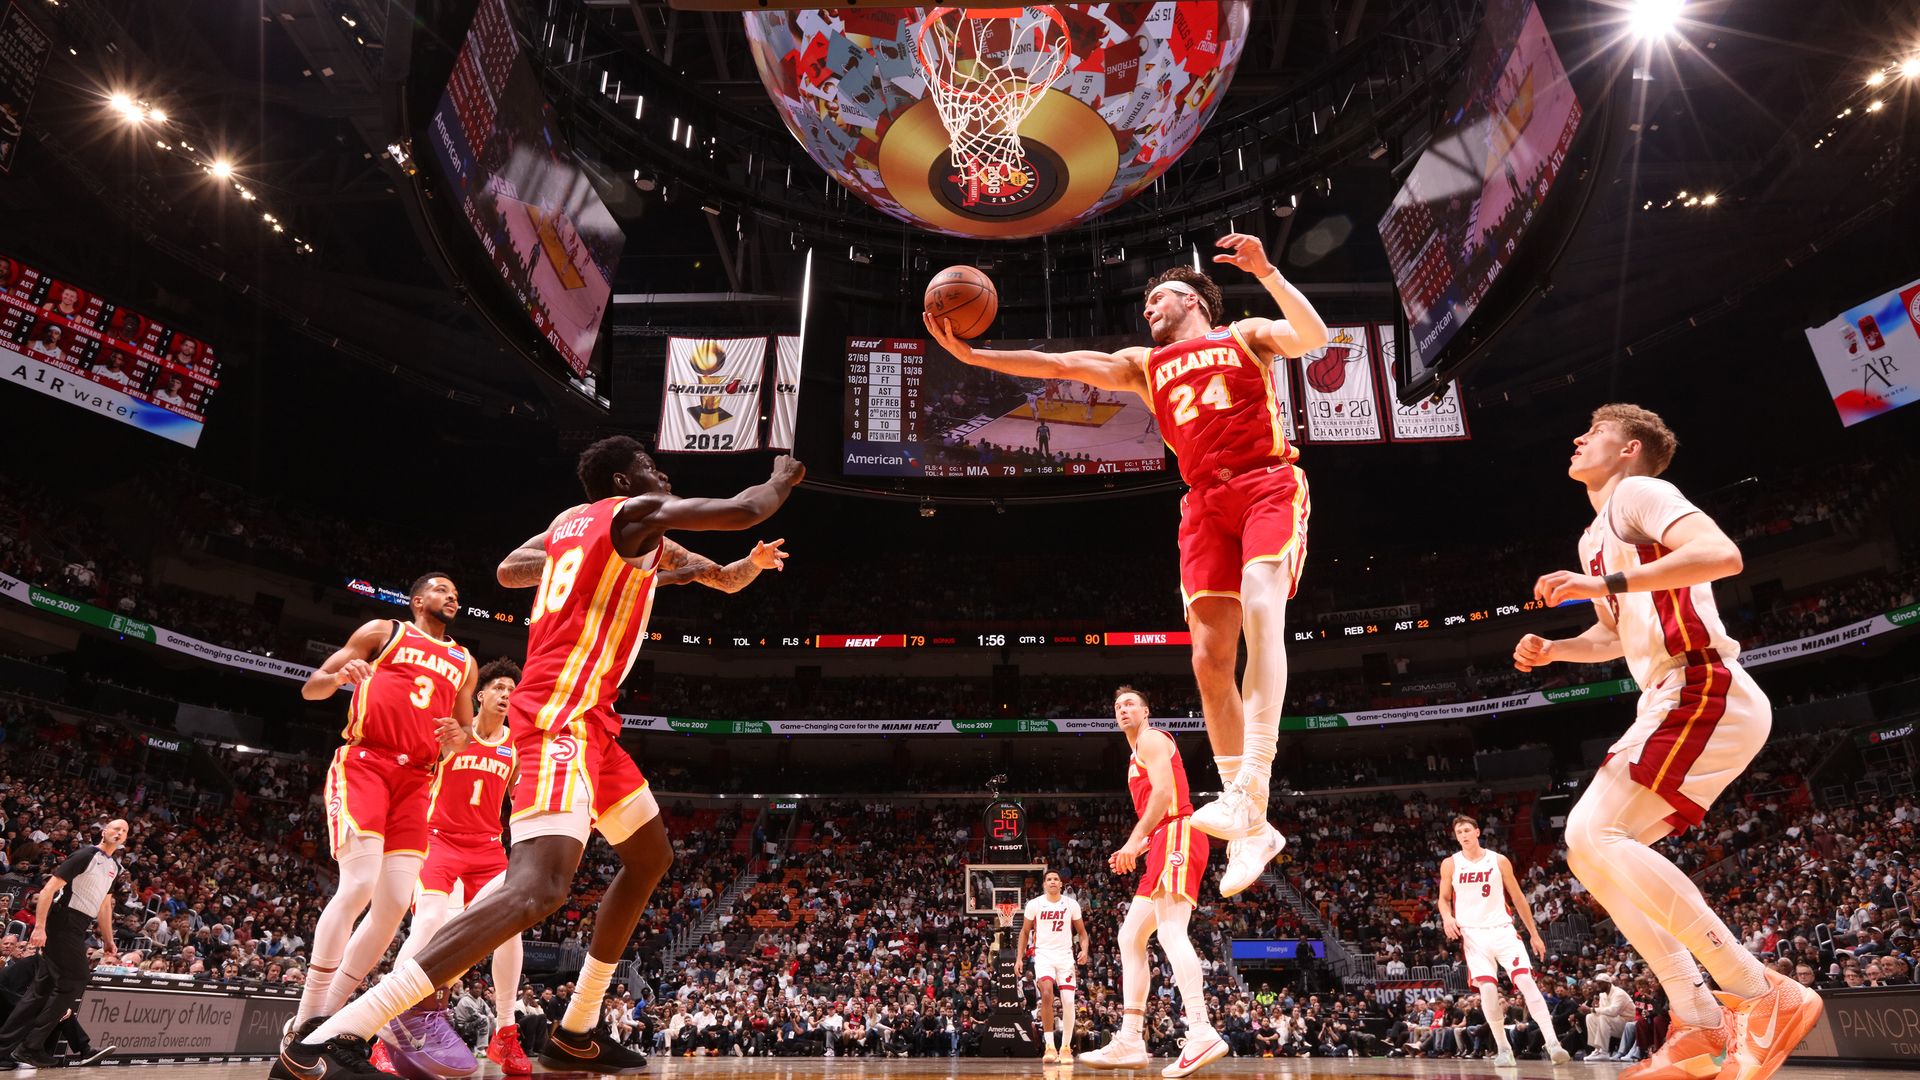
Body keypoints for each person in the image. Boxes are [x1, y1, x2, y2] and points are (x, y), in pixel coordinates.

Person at [279, 439, 804, 1079]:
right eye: (648, 466)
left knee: (650, 855)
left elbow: (512, 570)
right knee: (540, 888)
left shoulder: (575, 527)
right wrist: (782, 476)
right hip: (557, 715)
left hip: (594, 724)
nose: (660, 473)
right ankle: (338, 1032)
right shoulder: (631, 514)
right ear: (621, 480)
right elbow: (748, 507)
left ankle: (577, 1028)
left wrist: (730, 565)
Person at [926, 232, 1329, 896]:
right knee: (1206, 660)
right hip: (1204, 504)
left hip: (1265, 485)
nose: (1149, 309)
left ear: (1196, 299)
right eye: (1146, 303)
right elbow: (1064, 365)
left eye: (1159, 296)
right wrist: (975, 354)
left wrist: (1270, 271)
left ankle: (1253, 783)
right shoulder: (1144, 365)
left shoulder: (1244, 336)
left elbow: (1312, 335)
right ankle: (1250, 822)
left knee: (1263, 603)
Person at [1514, 404, 1823, 1080]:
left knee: (1593, 832)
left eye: (1591, 431)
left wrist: (1603, 584)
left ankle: (1760, 992)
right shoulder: (1594, 535)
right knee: (1587, 854)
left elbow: (1722, 555)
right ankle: (1699, 1020)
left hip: (1702, 682)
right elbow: (1615, 631)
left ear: (1628, 450)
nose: (1576, 437)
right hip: (1669, 690)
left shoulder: (1639, 492)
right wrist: (1560, 648)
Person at [285, 574, 478, 1041]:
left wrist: (459, 738)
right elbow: (311, 688)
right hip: (367, 765)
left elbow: (464, 733)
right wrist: (338, 677)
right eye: (441, 589)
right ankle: (308, 1012)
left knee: (393, 907)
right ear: (417, 600)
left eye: (456, 592)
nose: (452, 596)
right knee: (359, 886)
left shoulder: (464, 661)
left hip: (417, 782)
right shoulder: (383, 631)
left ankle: (325, 1020)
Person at [378, 658, 529, 1076]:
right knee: (426, 926)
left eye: (513, 691)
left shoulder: (516, 746)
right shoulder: (453, 735)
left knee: (510, 931)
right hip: (439, 842)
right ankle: (387, 1027)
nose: (506, 696)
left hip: (487, 850)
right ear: (479, 695)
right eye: (499, 688)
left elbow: (518, 798)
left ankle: (505, 1033)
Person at [1078, 687, 1224, 1077]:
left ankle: (1201, 1030)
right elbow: (1159, 804)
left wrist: (1131, 840)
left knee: (1171, 931)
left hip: (1179, 832)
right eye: (1117, 706)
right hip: (1163, 838)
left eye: (1130, 704)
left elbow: (1164, 794)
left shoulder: (1152, 738)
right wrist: (1141, 846)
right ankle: (1130, 1038)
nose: (1122, 709)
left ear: (1146, 711)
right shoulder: (1133, 753)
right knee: (1130, 936)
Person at [1437, 814, 1569, 1066]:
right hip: (1473, 934)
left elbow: (1518, 898)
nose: (1463, 835)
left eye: (1467, 830)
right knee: (1487, 991)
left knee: (1526, 983)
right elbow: (1443, 898)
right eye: (1459, 833)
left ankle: (1553, 1043)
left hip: (1503, 930)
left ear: (1477, 832)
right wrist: (1447, 918)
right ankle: (1503, 1048)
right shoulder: (1450, 864)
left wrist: (1534, 934)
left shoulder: (1498, 860)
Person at [0, 820, 126, 1070]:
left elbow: (104, 907)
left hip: (78, 926)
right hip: (62, 921)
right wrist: (39, 927)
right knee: (76, 979)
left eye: (124, 831)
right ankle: (31, 1046)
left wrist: (109, 940)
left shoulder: (114, 866)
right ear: (104, 832)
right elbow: (48, 890)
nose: (119, 833)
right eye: (115, 828)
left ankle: (3, 1050)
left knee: (41, 991)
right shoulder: (86, 854)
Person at [1016, 870, 1088, 1063]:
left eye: (1056, 879)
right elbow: (1024, 932)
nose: (1053, 882)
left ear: (1061, 884)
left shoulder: (1071, 904)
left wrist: (1084, 950)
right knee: (1047, 994)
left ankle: (1065, 1048)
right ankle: (1049, 1047)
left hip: (1065, 956)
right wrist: (1019, 958)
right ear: (1044, 885)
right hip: (1043, 955)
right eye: (1049, 879)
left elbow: (1082, 933)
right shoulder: (1035, 904)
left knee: (1069, 1001)